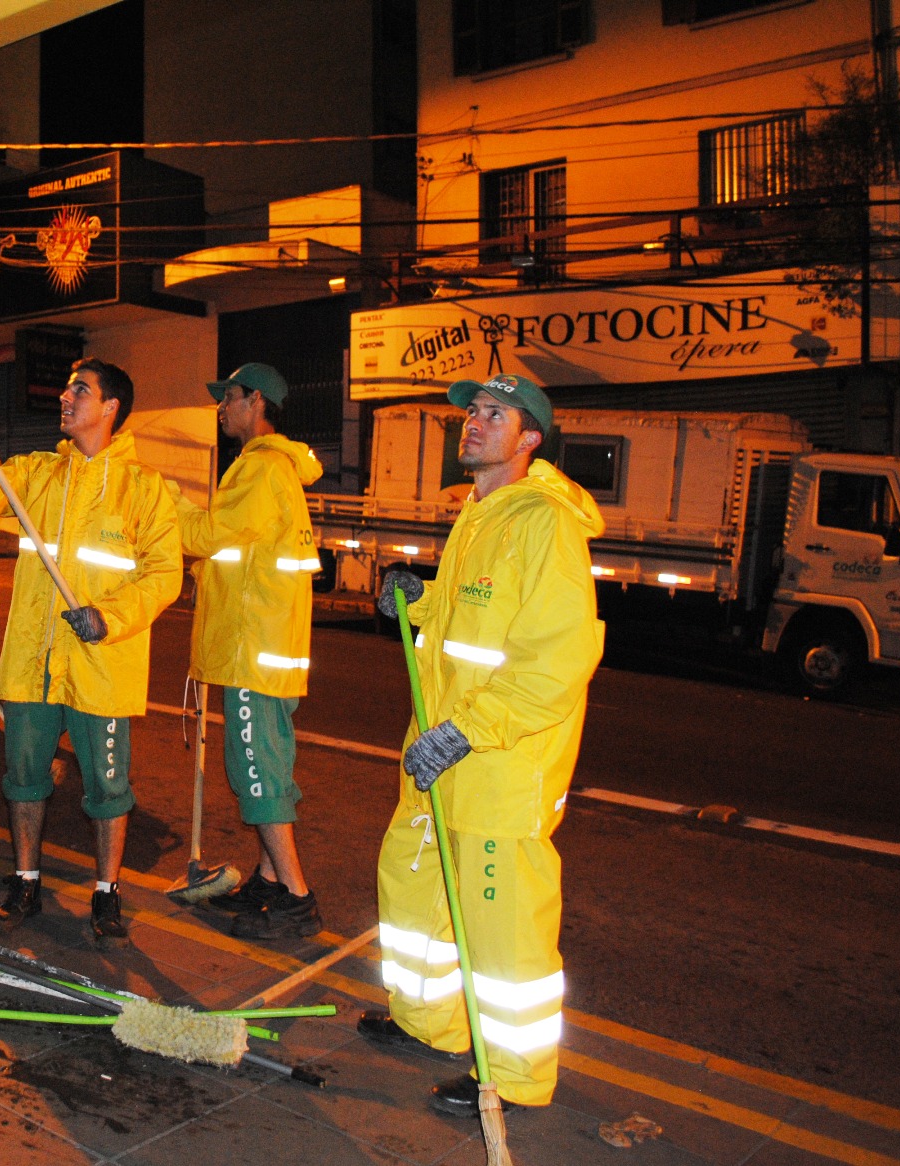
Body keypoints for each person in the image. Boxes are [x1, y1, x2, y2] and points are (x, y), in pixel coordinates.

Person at [357, 374, 605, 1117]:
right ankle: (429, 1023)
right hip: (441, 751)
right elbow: (475, 618)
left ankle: (512, 1075)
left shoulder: (546, 523)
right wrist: (418, 595)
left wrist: (465, 732)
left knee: (502, 935)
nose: (473, 420)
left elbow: (554, 663)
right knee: (414, 889)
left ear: (529, 438)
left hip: (496, 761)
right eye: (471, 410)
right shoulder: (480, 512)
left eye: (495, 413)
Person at [0, 358, 181, 949]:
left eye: (82, 389)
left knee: (107, 787)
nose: (67, 397)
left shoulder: (145, 488)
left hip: (101, 665)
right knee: (23, 780)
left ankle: (107, 890)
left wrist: (110, 615)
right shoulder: (36, 473)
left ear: (110, 409)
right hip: (33, 661)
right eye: (68, 385)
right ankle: (25, 881)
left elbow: (165, 574)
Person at [174, 363, 326, 940]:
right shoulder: (277, 470)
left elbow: (209, 535)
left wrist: (165, 502)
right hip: (269, 647)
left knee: (256, 773)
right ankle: (267, 878)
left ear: (255, 400)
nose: (221, 407)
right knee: (272, 766)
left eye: (228, 398)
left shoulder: (260, 470)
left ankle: (295, 896)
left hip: (250, 649)